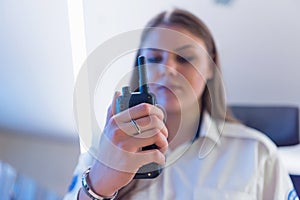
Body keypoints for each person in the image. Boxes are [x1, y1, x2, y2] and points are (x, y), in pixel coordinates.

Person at [64, 8, 297, 200]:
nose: (169, 70)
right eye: (155, 59)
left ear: (210, 66)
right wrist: (98, 186)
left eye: (185, 58)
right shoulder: (104, 147)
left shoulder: (257, 154)